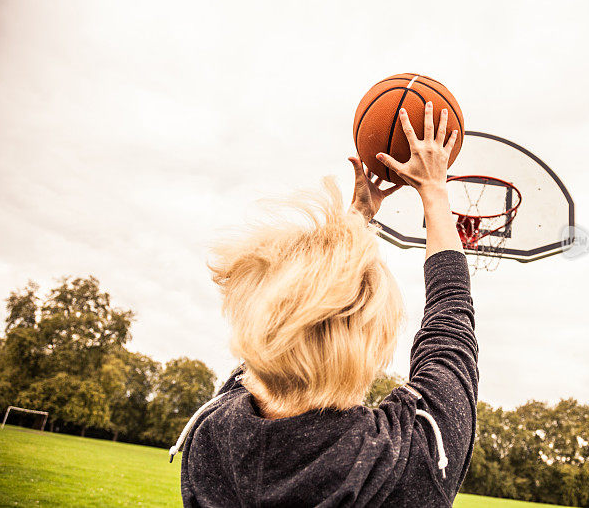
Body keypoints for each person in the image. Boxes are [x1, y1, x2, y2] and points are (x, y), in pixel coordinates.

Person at [172, 102, 477, 507]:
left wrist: (352, 225)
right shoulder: (408, 464)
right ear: (374, 337)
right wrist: (435, 192)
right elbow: (450, 328)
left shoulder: (210, 441)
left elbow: (279, 329)